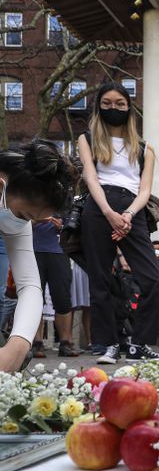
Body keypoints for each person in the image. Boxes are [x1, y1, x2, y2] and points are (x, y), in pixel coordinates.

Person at [78, 83, 159, 364]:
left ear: (129, 107)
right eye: (106, 103)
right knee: (101, 280)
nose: (113, 108)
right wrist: (108, 212)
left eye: (119, 103)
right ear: (98, 106)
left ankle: (138, 344)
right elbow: (91, 179)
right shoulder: (87, 139)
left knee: (153, 278)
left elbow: (144, 190)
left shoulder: (144, 148)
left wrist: (127, 215)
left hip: (133, 210)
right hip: (98, 208)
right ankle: (108, 345)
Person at [0, 140, 78, 372]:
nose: (26, 223)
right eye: (25, 215)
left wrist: (19, 344)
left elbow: (30, 285)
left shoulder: (11, 214)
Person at [32, 216, 79, 357]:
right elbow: (17, 221)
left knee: (62, 297)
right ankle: (36, 343)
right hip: (32, 251)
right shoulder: (29, 196)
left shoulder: (63, 199)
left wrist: (62, 226)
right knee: (34, 298)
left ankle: (65, 343)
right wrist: (37, 221)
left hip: (60, 251)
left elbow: (74, 224)